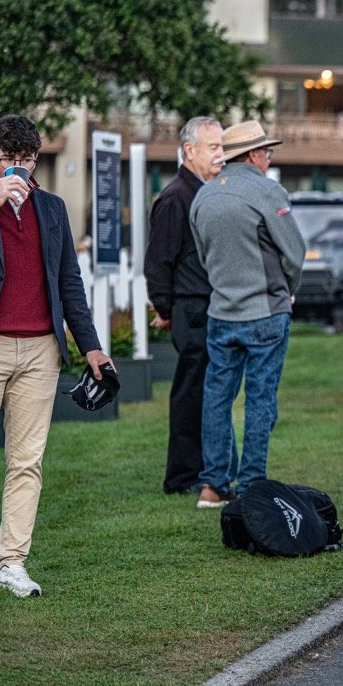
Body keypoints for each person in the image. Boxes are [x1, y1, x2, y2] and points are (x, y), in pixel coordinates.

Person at [0, 115, 111, 597]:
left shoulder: (53, 208)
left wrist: (93, 347)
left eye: (24, 161)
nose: (16, 171)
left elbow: (69, 285)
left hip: (42, 348)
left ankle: (11, 562)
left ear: (36, 160)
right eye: (6, 161)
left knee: (27, 461)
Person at [190, 121, 306, 509]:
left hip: (222, 311)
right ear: (254, 155)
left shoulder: (203, 196)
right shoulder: (266, 190)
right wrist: (288, 289)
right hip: (266, 310)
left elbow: (205, 258)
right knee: (260, 399)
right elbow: (295, 252)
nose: (269, 159)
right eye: (267, 152)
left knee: (216, 398)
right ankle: (252, 482)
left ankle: (213, 484)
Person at [143, 116, 225, 496]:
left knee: (204, 391)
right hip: (190, 309)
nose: (221, 155)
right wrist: (166, 309)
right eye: (214, 147)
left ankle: (200, 471)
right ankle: (182, 477)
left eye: (222, 146)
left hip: (202, 306)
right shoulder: (177, 197)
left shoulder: (203, 192)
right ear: (190, 151)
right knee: (190, 392)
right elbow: (158, 261)